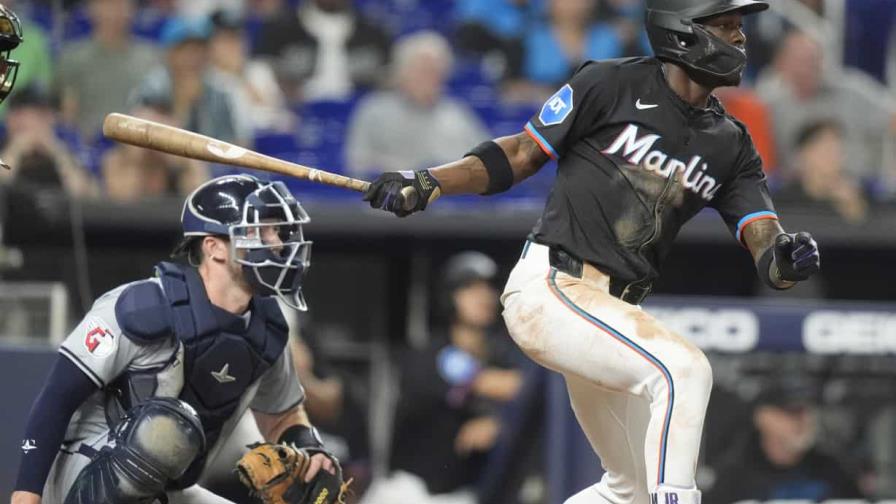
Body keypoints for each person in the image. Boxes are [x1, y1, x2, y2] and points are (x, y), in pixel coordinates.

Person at [362, 0, 822, 502]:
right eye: (727, 26)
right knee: (685, 369)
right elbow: (520, 153)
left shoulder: (730, 143)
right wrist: (429, 181)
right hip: (555, 286)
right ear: (682, 32)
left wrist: (785, 257)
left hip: (613, 313)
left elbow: (765, 243)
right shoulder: (610, 84)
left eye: (740, 27)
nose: (740, 38)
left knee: (630, 490)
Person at [10, 174, 345, 503]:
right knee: (163, 431)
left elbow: (284, 415)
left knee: (168, 440)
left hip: (167, 489)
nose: (276, 241)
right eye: (261, 231)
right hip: (85, 471)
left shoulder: (266, 330)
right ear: (214, 247)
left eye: (276, 230)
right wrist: (26, 496)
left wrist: (309, 448)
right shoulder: (142, 306)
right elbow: (56, 401)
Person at [362, 252, 523, 504]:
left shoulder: (503, 354)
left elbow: (531, 392)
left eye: (488, 288)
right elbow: (508, 386)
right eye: (470, 288)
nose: (483, 297)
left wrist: (501, 424)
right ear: (450, 296)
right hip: (407, 492)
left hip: (462, 493)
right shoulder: (432, 354)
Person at [756, 31, 896, 189]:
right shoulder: (770, 105)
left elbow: (892, 119)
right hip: (798, 196)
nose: (808, 67)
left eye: (814, 59)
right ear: (780, 64)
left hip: (860, 190)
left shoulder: (853, 91)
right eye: (800, 60)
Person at [345, 31, 490, 177]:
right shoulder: (374, 111)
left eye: (434, 71)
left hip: (450, 195)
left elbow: (484, 163)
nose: (429, 78)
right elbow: (357, 163)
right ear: (401, 72)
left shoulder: (458, 115)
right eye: (421, 70)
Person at [707, 378, 863, 502]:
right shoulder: (734, 476)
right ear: (762, 417)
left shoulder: (833, 471)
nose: (803, 419)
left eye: (808, 410)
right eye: (792, 412)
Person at [56, 0, 160, 140]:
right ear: (92, 8)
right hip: (89, 143)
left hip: (137, 142)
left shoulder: (150, 58)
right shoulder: (74, 58)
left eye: (122, 4)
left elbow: (158, 109)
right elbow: (67, 114)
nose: (114, 12)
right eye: (107, 4)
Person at [253, 0, 392, 102]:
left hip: (358, 113)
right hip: (294, 115)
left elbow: (388, 82)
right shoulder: (278, 30)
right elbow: (260, 75)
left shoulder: (375, 34)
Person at [130, 16, 238, 145]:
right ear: (170, 54)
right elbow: (139, 138)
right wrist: (183, 105)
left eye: (199, 50)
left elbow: (231, 144)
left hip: (209, 162)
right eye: (184, 50)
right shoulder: (153, 88)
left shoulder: (218, 94)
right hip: (159, 159)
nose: (193, 58)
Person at [100, 98, 208, 201]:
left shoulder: (183, 166)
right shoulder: (118, 159)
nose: (152, 137)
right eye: (146, 128)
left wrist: (179, 155)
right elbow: (117, 200)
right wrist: (137, 153)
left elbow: (201, 198)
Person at [0, 86, 98, 198]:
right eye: (39, 115)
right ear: (13, 119)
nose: (49, 120)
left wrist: (57, 153)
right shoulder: (3, 146)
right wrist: (16, 150)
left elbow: (84, 196)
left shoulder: (63, 147)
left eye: (49, 114)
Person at [776, 120, 868, 223]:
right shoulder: (782, 201)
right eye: (825, 148)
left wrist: (853, 208)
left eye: (837, 148)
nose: (832, 156)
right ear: (801, 155)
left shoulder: (857, 197)